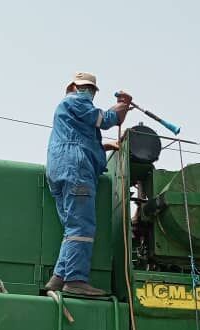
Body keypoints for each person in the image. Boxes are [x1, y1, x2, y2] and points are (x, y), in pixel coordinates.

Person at [44, 72, 132, 296]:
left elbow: (82, 140)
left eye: (90, 89)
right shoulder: (76, 101)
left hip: (61, 169)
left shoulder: (67, 113)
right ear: (73, 87)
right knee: (82, 227)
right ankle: (75, 279)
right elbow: (106, 120)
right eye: (85, 88)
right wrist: (122, 106)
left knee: (72, 228)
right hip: (77, 170)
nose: (88, 92)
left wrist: (108, 146)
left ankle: (59, 278)